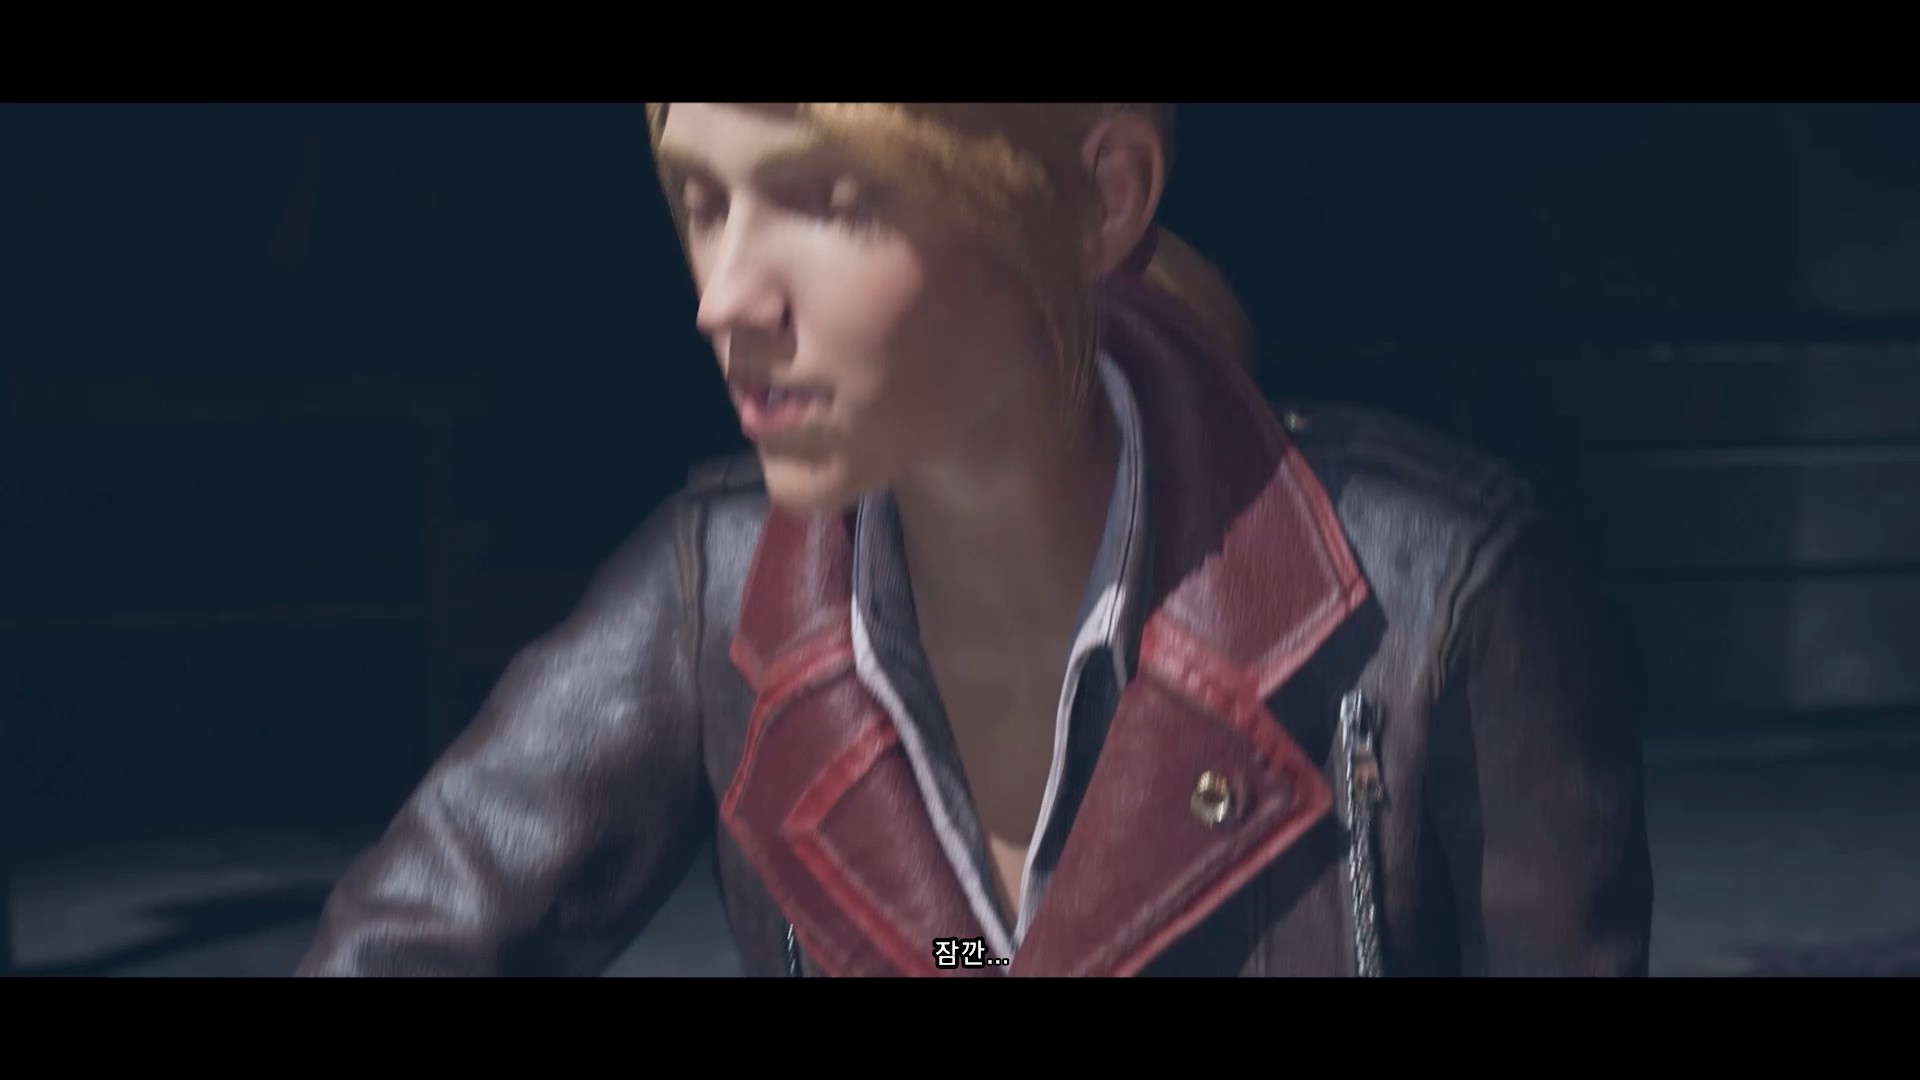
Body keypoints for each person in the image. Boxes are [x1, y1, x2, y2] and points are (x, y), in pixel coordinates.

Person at [297, 103, 1653, 977]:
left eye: (827, 199)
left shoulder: (1437, 599)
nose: (724, 297)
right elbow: (403, 943)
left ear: (1101, 197)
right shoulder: (717, 586)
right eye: (702, 203)